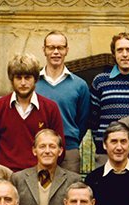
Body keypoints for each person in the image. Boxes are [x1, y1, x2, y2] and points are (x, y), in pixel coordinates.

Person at [0, 53, 65, 172]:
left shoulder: (50, 108)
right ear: (12, 80)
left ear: (35, 79)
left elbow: (60, 147)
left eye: (27, 77)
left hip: (39, 175)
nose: (23, 83)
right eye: (18, 77)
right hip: (5, 175)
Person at [37, 31, 91, 174]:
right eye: (51, 48)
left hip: (69, 151)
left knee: (68, 192)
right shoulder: (33, 83)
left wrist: (70, 140)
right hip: (38, 150)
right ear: (44, 50)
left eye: (60, 48)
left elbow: (83, 120)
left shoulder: (79, 85)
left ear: (66, 50)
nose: (56, 52)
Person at [12, 129, 82, 205]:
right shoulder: (18, 179)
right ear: (34, 151)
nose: (47, 151)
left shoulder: (73, 180)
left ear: (60, 151)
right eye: (42, 146)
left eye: (52, 146)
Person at [90, 32, 129, 160]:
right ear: (114, 54)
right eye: (120, 50)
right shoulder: (100, 81)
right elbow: (92, 119)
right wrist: (101, 142)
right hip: (106, 152)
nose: (124, 54)